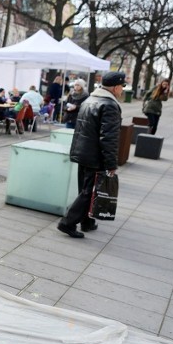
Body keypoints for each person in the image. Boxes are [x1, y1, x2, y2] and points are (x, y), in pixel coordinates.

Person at [57, 71, 126, 238]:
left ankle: (87, 222)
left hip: (84, 152)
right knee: (89, 191)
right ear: (116, 87)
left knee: (86, 189)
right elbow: (109, 138)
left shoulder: (90, 100)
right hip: (95, 156)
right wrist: (111, 163)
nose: (122, 91)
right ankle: (67, 223)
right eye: (122, 87)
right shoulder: (109, 105)